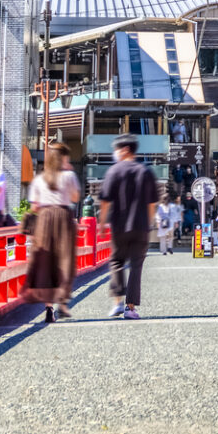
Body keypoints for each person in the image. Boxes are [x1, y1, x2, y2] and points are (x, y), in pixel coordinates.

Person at [97, 136, 157, 319]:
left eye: (116, 149)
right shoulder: (145, 172)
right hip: (141, 226)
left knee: (116, 261)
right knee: (136, 265)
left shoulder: (114, 171)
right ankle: (130, 308)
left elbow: (105, 201)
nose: (115, 153)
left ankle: (117, 303)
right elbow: (152, 203)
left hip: (119, 226)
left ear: (124, 150)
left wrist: (102, 223)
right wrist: (149, 223)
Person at [22, 146, 78, 321]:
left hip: (45, 220)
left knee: (47, 262)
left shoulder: (39, 179)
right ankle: (63, 305)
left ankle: (49, 308)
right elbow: (75, 198)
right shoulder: (69, 176)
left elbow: (34, 206)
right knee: (64, 260)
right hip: (63, 217)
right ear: (62, 160)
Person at [156, 190, 181, 256]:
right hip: (171, 223)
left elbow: (158, 215)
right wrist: (176, 222)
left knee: (163, 238)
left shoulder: (161, 206)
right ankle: (169, 247)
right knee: (170, 236)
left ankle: (164, 251)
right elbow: (175, 215)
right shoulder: (172, 206)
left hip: (163, 224)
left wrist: (158, 222)